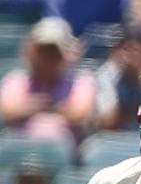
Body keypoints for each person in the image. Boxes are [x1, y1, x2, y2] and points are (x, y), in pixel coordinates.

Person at [0, 17, 95, 145]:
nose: (47, 57)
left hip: (67, 157)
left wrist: (34, 107)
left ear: (65, 53)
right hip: (20, 157)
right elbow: (8, 112)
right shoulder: (15, 80)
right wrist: (51, 107)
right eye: (42, 50)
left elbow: (79, 114)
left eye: (53, 51)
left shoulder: (81, 81)